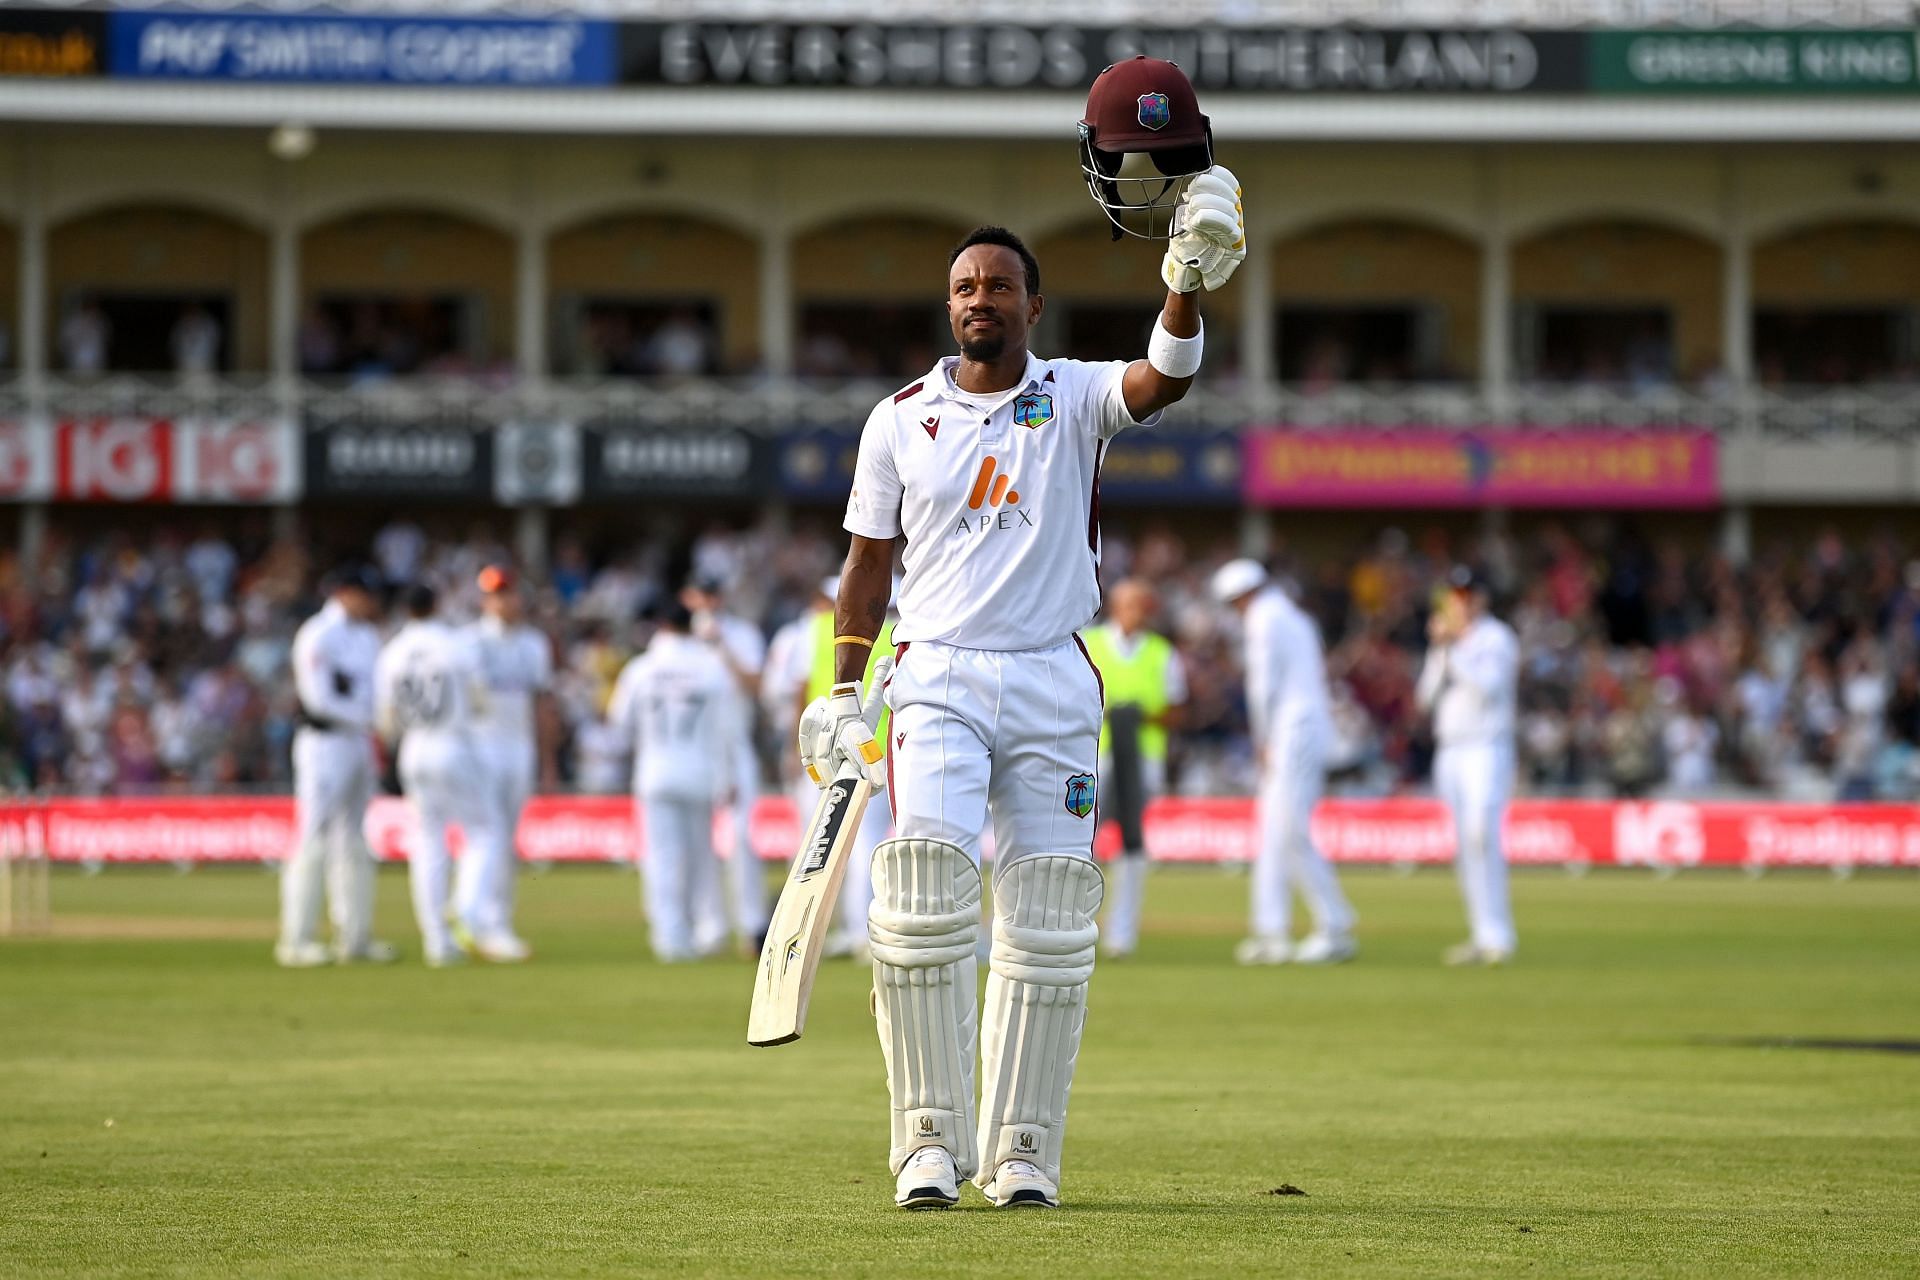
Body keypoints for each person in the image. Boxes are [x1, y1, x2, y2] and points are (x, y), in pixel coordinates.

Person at [805, 150, 1243, 1211]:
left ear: (1032, 305)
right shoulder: (897, 417)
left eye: (999, 285)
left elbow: (1165, 377)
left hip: (1053, 675)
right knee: (919, 893)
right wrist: (843, 689)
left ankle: (1024, 1149)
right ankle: (925, 1142)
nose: (980, 299)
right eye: (964, 287)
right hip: (940, 672)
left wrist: (1182, 277)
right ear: (947, 307)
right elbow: (866, 568)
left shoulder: (1075, 393)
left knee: (1048, 917)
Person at [1212, 559, 1357, 966]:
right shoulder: (1294, 616)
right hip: (1301, 727)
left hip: (1289, 731)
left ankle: (1334, 924)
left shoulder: (1263, 619)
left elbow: (1262, 686)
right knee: (1274, 829)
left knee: (1289, 830)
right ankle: (1271, 930)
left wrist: (1261, 739)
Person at [607, 602, 741, 962]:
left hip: (656, 770)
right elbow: (726, 728)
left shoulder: (640, 668)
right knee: (701, 856)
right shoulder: (710, 666)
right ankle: (707, 928)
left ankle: (670, 937)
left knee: (662, 857)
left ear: (660, 625)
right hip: (700, 772)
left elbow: (619, 724)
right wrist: (728, 775)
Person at [374, 585, 498, 968]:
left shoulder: (392, 651)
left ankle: (437, 942)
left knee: (428, 840)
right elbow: (480, 701)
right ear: (438, 605)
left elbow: (385, 718)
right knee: (484, 832)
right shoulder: (456, 645)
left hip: (414, 748)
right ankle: (466, 909)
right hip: (452, 743)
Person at [277, 564, 393, 967]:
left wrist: (376, 722)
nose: (372, 602)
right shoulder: (318, 634)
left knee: (354, 837)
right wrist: (371, 718)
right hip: (324, 743)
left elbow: (378, 690)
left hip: (357, 743)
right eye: (365, 594)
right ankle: (297, 938)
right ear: (344, 592)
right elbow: (319, 700)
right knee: (314, 834)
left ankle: (355, 936)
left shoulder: (366, 635)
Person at [1416, 565, 1521, 966]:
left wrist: (1454, 646)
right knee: (1463, 843)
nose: (1459, 602)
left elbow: (1486, 689)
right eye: (1453, 595)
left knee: (1482, 835)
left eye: (1466, 594)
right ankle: (1481, 933)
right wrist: (1439, 648)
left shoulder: (1496, 637)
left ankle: (1499, 934)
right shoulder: (1447, 642)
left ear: (1481, 599)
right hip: (1451, 749)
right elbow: (1425, 698)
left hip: (1486, 746)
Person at [1080, 578, 1188, 958]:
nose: (1133, 612)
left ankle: (1122, 934)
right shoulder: (1090, 642)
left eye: (1140, 605)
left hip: (1141, 758)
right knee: (1080, 842)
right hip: (1093, 758)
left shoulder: (1161, 653)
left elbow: (1177, 709)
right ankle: (1075, 925)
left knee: (1131, 845)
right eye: (1128, 604)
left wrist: (1139, 718)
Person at [794, 574, 897, 959]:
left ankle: (855, 932)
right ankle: (866, 930)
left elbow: (798, 690)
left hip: (832, 751)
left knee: (833, 845)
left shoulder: (816, 628)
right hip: (888, 750)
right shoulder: (904, 633)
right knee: (874, 845)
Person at [463, 565, 554, 962]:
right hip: (482, 747)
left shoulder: (533, 644)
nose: (503, 601)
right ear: (485, 599)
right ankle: (479, 920)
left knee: (506, 840)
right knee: (488, 837)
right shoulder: (470, 642)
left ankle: (495, 921)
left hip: (518, 748)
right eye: (495, 594)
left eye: (508, 593)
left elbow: (541, 705)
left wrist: (547, 761)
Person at [681, 574, 768, 951]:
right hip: (693, 747)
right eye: (702, 595)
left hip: (734, 743)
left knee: (742, 836)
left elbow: (756, 686)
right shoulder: (680, 640)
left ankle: (752, 924)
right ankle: (708, 926)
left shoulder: (742, 634)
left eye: (714, 594)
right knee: (697, 839)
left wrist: (722, 646)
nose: (709, 602)